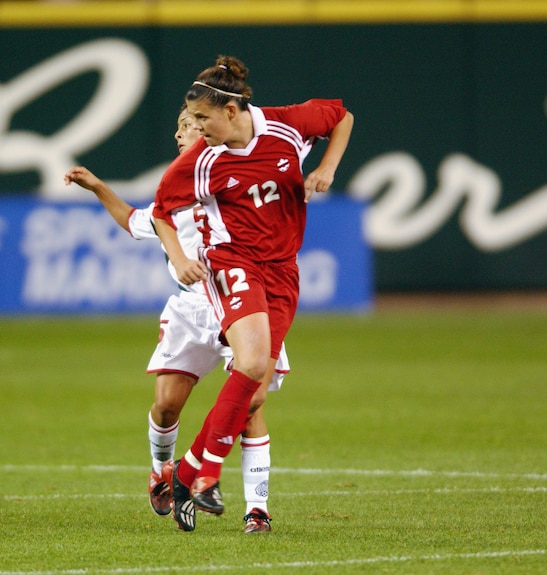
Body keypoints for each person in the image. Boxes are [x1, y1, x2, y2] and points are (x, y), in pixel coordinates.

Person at [63, 105, 290, 533]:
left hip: (242, 298)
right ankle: (162, 470)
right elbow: (135, 221)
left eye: (189, 125)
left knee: (251, 402)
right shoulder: (176, 192)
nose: (181, 134)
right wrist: (96, 187)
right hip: (192, 308)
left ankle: (257, 509)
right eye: (180, 127)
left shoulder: (233, 173)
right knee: (167, 406)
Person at [152, 56, 354, 532]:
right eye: (193, 120)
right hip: (233, 263)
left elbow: (342, 116)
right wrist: (180, 258)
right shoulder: (199, 159)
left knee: (256, 388)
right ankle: (206, 478)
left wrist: (326, 166)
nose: (197, 129)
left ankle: (188, 471)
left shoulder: (286, 126)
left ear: (232, 109)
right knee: (252, 364)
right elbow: (162, 210)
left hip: (283, 270)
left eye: (203, 118)